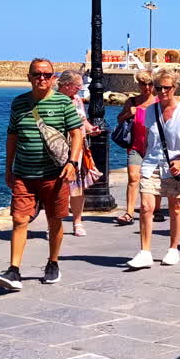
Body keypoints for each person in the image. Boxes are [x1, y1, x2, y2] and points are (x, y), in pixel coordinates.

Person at [0, 58, 84, 291]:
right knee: (19, 219)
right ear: (29, 77)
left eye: (46, 74)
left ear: (53, 78)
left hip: (55, 174)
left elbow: (77, 133)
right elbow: (12, 136)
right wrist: (8, 168)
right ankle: (14, 270)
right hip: (24, 173)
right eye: (37, 74)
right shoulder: (19, 103)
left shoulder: (63, 103)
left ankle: (53, 262)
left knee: (55, 220)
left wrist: (73, 162)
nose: (41, 78)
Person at [128, 69, 180, 269]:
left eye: (167, 87)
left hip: (175, 165)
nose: (162, 91)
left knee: (175, 207)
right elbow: (146, 138)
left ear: (174, 88)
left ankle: (173, 248)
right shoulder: (150, 110)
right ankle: (145, 252)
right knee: (146, 207)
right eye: (159, 87)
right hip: (152, 164)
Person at [56, 70, 103, 237]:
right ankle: (54, 223)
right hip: (58, 150)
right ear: (67, 86)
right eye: (78, 86)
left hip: (78, 149)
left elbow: (83, 120)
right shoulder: (53, 101)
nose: (79, 89)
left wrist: (92, 129)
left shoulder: (77, 100)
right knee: (57, 188)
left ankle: (77, 222)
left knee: (77, 187)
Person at [115, 70, 157, 225]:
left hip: (153, 148)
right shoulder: (132, 102)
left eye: (149, 84)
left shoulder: (158, 102)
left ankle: (156, 210)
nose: (146, 87)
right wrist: (128, 113)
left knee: (153, 179)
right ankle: (129, 213)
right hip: (135, 146)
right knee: (133, 177)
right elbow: (119, 119)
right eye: (143, 84)